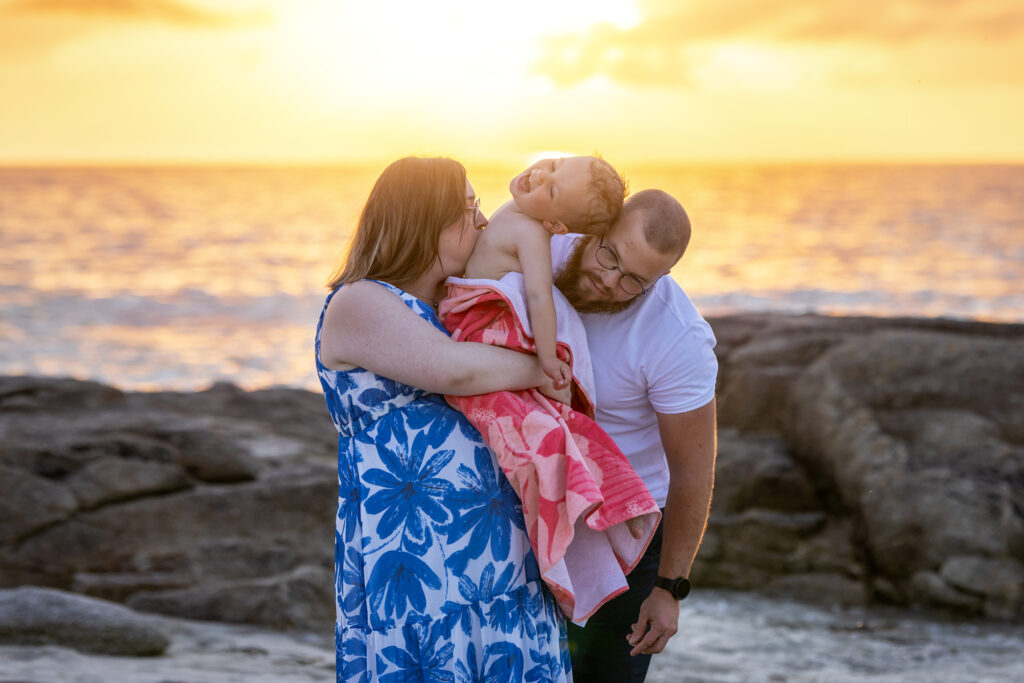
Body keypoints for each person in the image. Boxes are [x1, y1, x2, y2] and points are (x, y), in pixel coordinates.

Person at [315, 156, 572, 682]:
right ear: (424, 220)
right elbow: (452, 371)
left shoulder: (458, 308)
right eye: (470, 209)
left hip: (498, 561)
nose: (482, 223)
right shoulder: (360, 301)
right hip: (417, 563)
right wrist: (541, 369)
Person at [437, 156, 662, 622]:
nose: (542, 175)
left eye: (554, 188)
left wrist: (546, 360)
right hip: (472, 326)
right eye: (553, 165)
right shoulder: (509, 212)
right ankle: (601, 506)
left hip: (480, 328)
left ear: (556, 222)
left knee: (551, 430)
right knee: (549, 427)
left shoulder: (531, 232)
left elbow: (539, 296)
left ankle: (611, 507)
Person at [552, 189, 719, 682]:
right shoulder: (551, 248)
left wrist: (669, 589)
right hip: (527, 512)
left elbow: (693, 470)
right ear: (599, 229)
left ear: (662, 279)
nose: (608, 280)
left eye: (633, 280)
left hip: (625, 535)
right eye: (610, 256)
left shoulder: (677, 339)